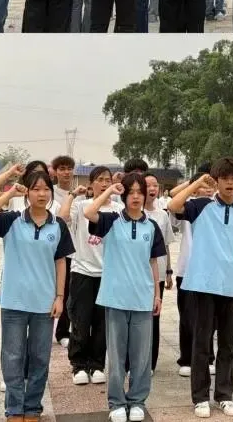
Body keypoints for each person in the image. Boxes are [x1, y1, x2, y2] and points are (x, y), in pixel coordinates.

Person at [0, 170, 73, 422]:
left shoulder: (58, 225)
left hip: (44, 304)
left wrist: (60, 297)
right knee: (12, 357)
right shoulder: (12, 220)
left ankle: (32, 407)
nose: (42, 194)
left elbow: (61, 262)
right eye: (36, 189)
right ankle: (14, 408)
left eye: (46, 189)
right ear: (27, 192)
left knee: (40, 357)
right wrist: (10, 193)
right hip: (14, 301)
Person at [169, 158, 233, 419]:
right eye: (224, 178)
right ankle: (200, 397)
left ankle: (224, 395)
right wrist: (198, 181)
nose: (229, 183)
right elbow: (174, 205)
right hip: (202, 285)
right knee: (202, 344)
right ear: (217, 181)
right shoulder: (201, 206)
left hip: (230, 288)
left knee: (228, 346)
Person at [84, 173, 166, 422]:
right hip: (116, 297)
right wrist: (109, 191)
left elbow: (153, 262)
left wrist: (157, 294)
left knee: (141, 356)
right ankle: (117, 402)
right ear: (124, 195)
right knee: (117, 354)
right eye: (131, 192)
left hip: (142, 297)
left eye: (140, 192)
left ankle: (137, 400)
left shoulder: (151, 226)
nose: (136, 197)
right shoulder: (111, 221)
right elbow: (89, 212)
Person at [57, 166, 113, 385]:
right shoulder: (81, 206)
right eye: (100, 180)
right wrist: (73, 194)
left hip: (108, 273)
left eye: (107, 180)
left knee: (102, 322)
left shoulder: (118, 208)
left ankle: (97, 364)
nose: (104, 184)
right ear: (91, 184)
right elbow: (62, 217)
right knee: (80, 320)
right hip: (83, 271)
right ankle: (79, 365)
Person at [172, 166, 216, 379]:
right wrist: (196, 182)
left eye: (210, 186)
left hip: (211, 270)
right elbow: (173, 199)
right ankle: (187, 359)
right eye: (203, 186)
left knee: (210, 318)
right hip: (187, 270)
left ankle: (208, 358)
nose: (207, 189)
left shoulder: (218, 205)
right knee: (188, 317)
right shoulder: (187, 205)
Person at [144, 174, 175, 372]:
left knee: (154, 318)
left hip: (159, 274)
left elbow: (166, 245)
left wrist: (169, 271)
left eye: (155, 185)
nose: (152, 189)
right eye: (148, 185)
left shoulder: (162, 215)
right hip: (138, 274)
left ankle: (151, 362)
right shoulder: (131, 213)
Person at [51, 155, 77, 347]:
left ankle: (62, 331)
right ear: (55, 171)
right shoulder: (49, 192)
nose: (66, 172)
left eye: (69, 168)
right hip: (51, 250)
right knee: (50, 290)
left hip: (72, 251)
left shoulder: (82, 193)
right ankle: (44, 326)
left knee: (68, 293)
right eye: (62, 168)